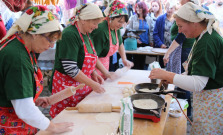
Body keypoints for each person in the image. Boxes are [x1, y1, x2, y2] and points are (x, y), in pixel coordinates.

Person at [149, 2, 223, 134]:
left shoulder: (207, 42)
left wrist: (168, 75)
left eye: (181, 26)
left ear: (194, 22)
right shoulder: (203, 36)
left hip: (212, 100)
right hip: (208, 99)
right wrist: (173, 79)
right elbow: (195, 74)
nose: (179, 31)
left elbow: (198, 83)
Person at [0, 6, 73, 134]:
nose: (51, 46)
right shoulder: (17, 57)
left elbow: (15, 92)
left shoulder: (22, 46)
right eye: (50, 40)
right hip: (8, 127)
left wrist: (31, 98)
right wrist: (53, 127)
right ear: (35, 34)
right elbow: (25, 110)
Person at [49, 3, 105, 118]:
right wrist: (92, 84)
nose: (96, 27)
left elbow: (83, 59)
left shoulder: (86, 34)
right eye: (95, 23)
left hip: (81, 85)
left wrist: (93, 72)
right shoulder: (70, 34)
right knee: (66, 120)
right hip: (66, 87)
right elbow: (70, 68)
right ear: (84, 20)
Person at [163, 0, 199, 117]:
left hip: (183, 51)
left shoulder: (190, 15)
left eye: (182, 2)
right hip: (179, 50)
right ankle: (183, 110)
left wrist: (168, 53)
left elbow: (180, 37)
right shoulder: (185, 12)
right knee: (182, 79)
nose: (180, 3)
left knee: (184, 83)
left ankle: (184, 113)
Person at [91, 0, 134, 78]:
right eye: (119, 21)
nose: (121, 25)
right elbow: (93, 56)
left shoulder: (115, 27)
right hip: (94, 68)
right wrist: (106, 73)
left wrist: (124, 59)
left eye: (123, 22)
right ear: (111, 18)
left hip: (105, 65)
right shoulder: (101, 30)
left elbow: (120, 43)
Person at [126, 1, 152, 69]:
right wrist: (135, 38)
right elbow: (129, 30)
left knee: (144, 63)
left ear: (144, 8)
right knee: (136, 62)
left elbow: (151, 32)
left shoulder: (149, 19)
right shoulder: (133, 17)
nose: (138, 9)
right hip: (136, 43)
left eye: (140, 8)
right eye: (137, 7)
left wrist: (151, 41)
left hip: (146, 44)